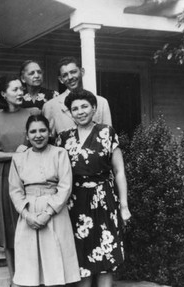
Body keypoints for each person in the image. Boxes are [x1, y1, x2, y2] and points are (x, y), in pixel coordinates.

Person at [56, 89, 131, 287]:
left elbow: (119, 171)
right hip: (75, 201)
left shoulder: (107, 133)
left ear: (94, 108)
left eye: (84, 106)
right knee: (82, 253)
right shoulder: (63, 138)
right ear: (70, 113)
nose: (80, 112)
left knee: (106, 249)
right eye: (75, 109)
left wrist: (124, 205)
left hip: (103, 197)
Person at [8, 115, 80, 287]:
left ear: (49, 132)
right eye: (33, 131)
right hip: (29, 212)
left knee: (55, 260)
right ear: (27, 135)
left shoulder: (59, 154)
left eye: (42, 130)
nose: (38, 135)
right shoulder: (19, 158)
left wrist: (48, 213)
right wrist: (26, 215)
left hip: (54, 210)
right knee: (30, 264)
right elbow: (15, 190)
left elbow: (65, 186)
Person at [0, 75, 37, 282]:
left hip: (31, 175)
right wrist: (18, 154)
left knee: (29, 221)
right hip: (4, 175)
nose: (20, 92)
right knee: (9, 227)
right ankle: (14, 278)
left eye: (21, 89)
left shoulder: (33, 113)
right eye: (15, 89)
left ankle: (33, 276)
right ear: (3, 94)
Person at [42, 57, 112, 137]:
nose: (70, 77)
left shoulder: (101, 102)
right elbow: (49, 139)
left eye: (73, 72)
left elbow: (109, 136)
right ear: (61, 79)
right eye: (65, 75)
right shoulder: (51, 106)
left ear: (82, 72)